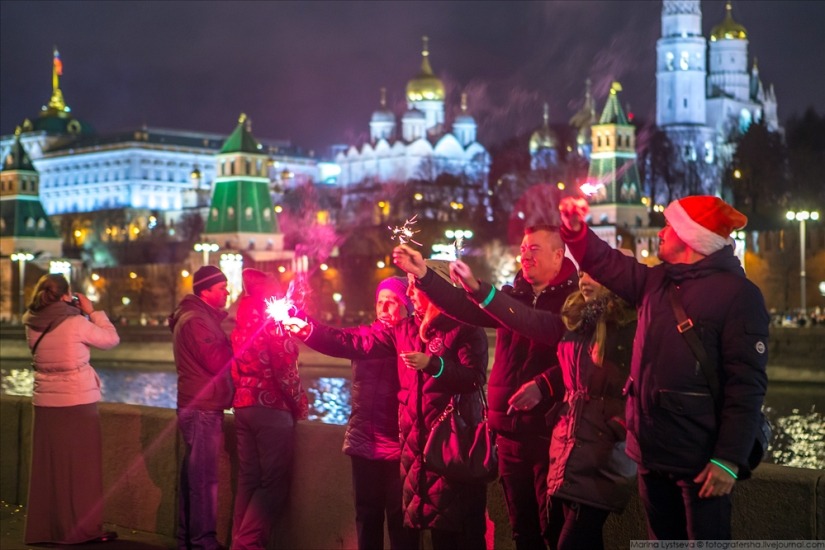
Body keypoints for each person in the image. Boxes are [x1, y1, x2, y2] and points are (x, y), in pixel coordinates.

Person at [558, 195, 770, 540]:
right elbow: (604, 262)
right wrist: (576, 229)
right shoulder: (655, 282)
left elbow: (746, 386)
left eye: (670, 226)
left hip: (700, 463)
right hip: (651, 455)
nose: (660, 233)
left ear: (692, 237)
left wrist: (727, 459)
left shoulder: (740, 295)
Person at [392, 224, 578, 550]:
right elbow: (463, 307)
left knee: (555, 531)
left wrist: (545, 386)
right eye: (522, 248)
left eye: (534, 248)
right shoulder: (512, 294)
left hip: (549, 431)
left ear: (558, 254)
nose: (525, 254)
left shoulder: (573, 302)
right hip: (506, 432)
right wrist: (423, 274)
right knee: (522, 531)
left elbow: (584, 359)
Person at [285, 264, 489, 550]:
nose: (409, 292)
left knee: (455, 535)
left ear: (437, 291)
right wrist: (308, 329)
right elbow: (355, 342)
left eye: (414, 287)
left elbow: (475, 378)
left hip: (452, 448)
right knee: (413, 526)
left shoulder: (465, 328)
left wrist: (434, 364)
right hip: (416, 454)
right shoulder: (404, 330)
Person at [446, 257, 638, 550]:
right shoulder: (577, 320)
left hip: (599, 449)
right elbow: (520, 318)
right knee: (567, 537)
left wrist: (619, 423)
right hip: (570, 445)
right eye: (584, 274)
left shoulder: (629, 326)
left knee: (568, 538)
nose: (585, 281)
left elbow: (646, 382)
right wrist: (460, 284)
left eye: (594, 276)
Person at [22, 273, 120, 545]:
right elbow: (111, 339)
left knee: (49, 470)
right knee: (82, 471)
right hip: (77, 402)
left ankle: (46, 530)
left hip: (44, 403)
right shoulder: (76, 322)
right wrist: (91, 311)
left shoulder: (31, 322)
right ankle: (83, 530)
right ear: (67, 295)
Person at [229, 269, 308, 550]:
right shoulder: (274, 322)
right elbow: (286, 371)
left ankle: (237, 539)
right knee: (274, 483)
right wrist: (299, 405)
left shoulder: (241, 321)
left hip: (243, 406)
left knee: (248, 479)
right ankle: (247, 545)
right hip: (271, 408)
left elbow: (234, 369)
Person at [343, 276, 419, 550]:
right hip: (364, 442)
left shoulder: (413, 341)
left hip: (400, 447)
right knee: (366, 519)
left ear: (408, 307)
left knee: (403, 525)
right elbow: (334, 340)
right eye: (380, 302)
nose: (385, 308)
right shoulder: (364, 337)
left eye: (393, 302)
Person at [169, 265, 235, 550]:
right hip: (202, 409)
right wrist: (239, 342)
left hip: (198, 405)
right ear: (205, 291)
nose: (227, 292)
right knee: (204, 480)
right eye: (221, 288)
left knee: (194, 477)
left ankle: (188, 538)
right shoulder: (197, 321)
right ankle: (202, 540)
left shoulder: (197, 317)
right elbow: (217, 361)